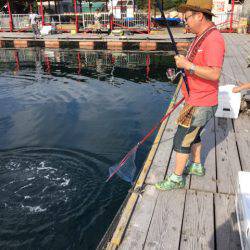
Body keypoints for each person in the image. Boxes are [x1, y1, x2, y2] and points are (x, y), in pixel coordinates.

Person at [155, 0, 225, 191]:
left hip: (201, 102)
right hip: (194, 98)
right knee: (193, 136)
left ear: (199, 16)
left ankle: (177, 178)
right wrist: (185, 62)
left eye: (187, 17)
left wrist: (188, 65)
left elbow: (214, 73)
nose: (185, 21)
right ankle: (196, 165)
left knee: (181, 139)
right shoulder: (200, 36)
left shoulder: (213, 39)